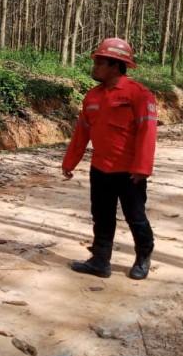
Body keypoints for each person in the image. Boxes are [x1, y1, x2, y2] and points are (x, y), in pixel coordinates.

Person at [62, 37, 158, 279]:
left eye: (100, 62)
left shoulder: (139, 95)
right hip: (101, 169)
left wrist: (142, 167)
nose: (94, 66)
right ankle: (100, 260)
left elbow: (148, 133)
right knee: (102, 216)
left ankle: (143, 255)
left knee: (135, 217)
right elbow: (81, 133)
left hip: (129, 172)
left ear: (116, 65)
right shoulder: (92, 97)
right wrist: (69, 162)